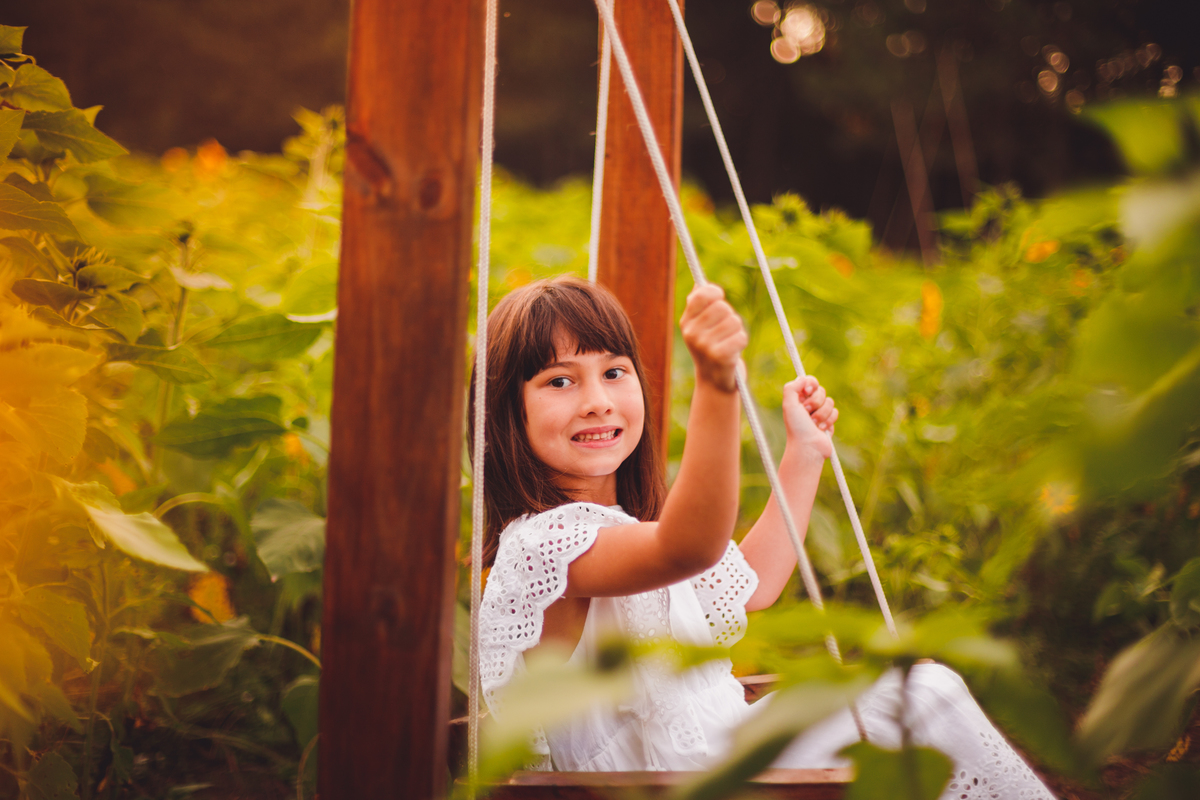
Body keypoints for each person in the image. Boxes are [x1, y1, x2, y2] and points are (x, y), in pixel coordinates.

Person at [473, 276, 1054, 798]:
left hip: (722, 759)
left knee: (915, 695)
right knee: (922, 697)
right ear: (507, 415)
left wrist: (803, 454)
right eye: (559, 381)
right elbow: (687, 546)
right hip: (672, 785)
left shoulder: (620, 535)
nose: (597, 400)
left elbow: (751, 586)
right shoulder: (541, 547)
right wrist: (716, 385)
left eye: (614, 372)